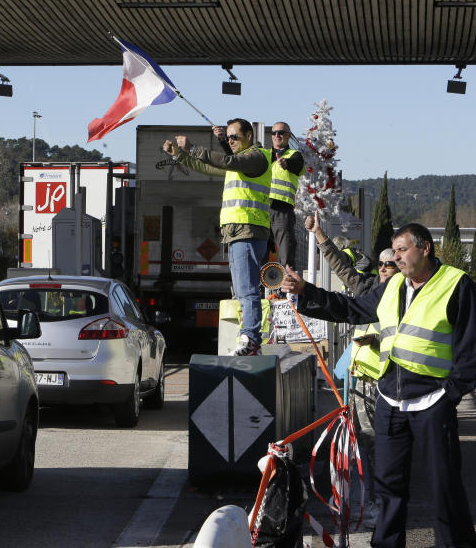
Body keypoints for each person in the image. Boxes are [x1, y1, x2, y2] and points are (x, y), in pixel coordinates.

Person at [280, 223, 476, 548]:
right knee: (389, 487)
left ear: (425, 248)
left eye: (402, 250)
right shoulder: (392, 287)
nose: (396, 258)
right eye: (394, 252)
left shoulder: (456, 284)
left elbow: (470, 353)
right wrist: (307, 292)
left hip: (433, 402)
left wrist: (449, 396)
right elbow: (351, 308)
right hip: (391, 401)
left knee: (445, 487)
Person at [305, 210, 398, 528]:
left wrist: (379, 343)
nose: (386, 269)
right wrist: (320, 237)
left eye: (392, 264)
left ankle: (383, 504)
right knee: (361, 443)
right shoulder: (370, 289)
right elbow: (342, 269)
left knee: (377, 447)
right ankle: (370, 501)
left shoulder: (406, 296)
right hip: (361, 381)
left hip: (388, 382)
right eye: (383, 264)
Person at [163, 118, 271, 356]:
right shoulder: (239, 165)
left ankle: (251, 338)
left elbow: (224, 160)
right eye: (228, 137)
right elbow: (209, 167)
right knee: (243, 290)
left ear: (250, 136)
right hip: (236, 233)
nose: (230, 141)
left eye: (235, 137)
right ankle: (250, 337)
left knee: (247, 289)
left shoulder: (256, 158)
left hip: (248, 231)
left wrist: (192, 148)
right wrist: (179, 156)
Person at [267, 122, 305, 269]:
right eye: (274, 132)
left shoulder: (295, 156)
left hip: (282, 210)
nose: (277, 135)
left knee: (286, 253)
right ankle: (259, 290)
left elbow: (296, 164)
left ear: (288, 136)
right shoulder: (264, 155)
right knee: (260, 253)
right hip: (262, 210)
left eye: (281, 132)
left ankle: (287, 290)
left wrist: (285, 163)